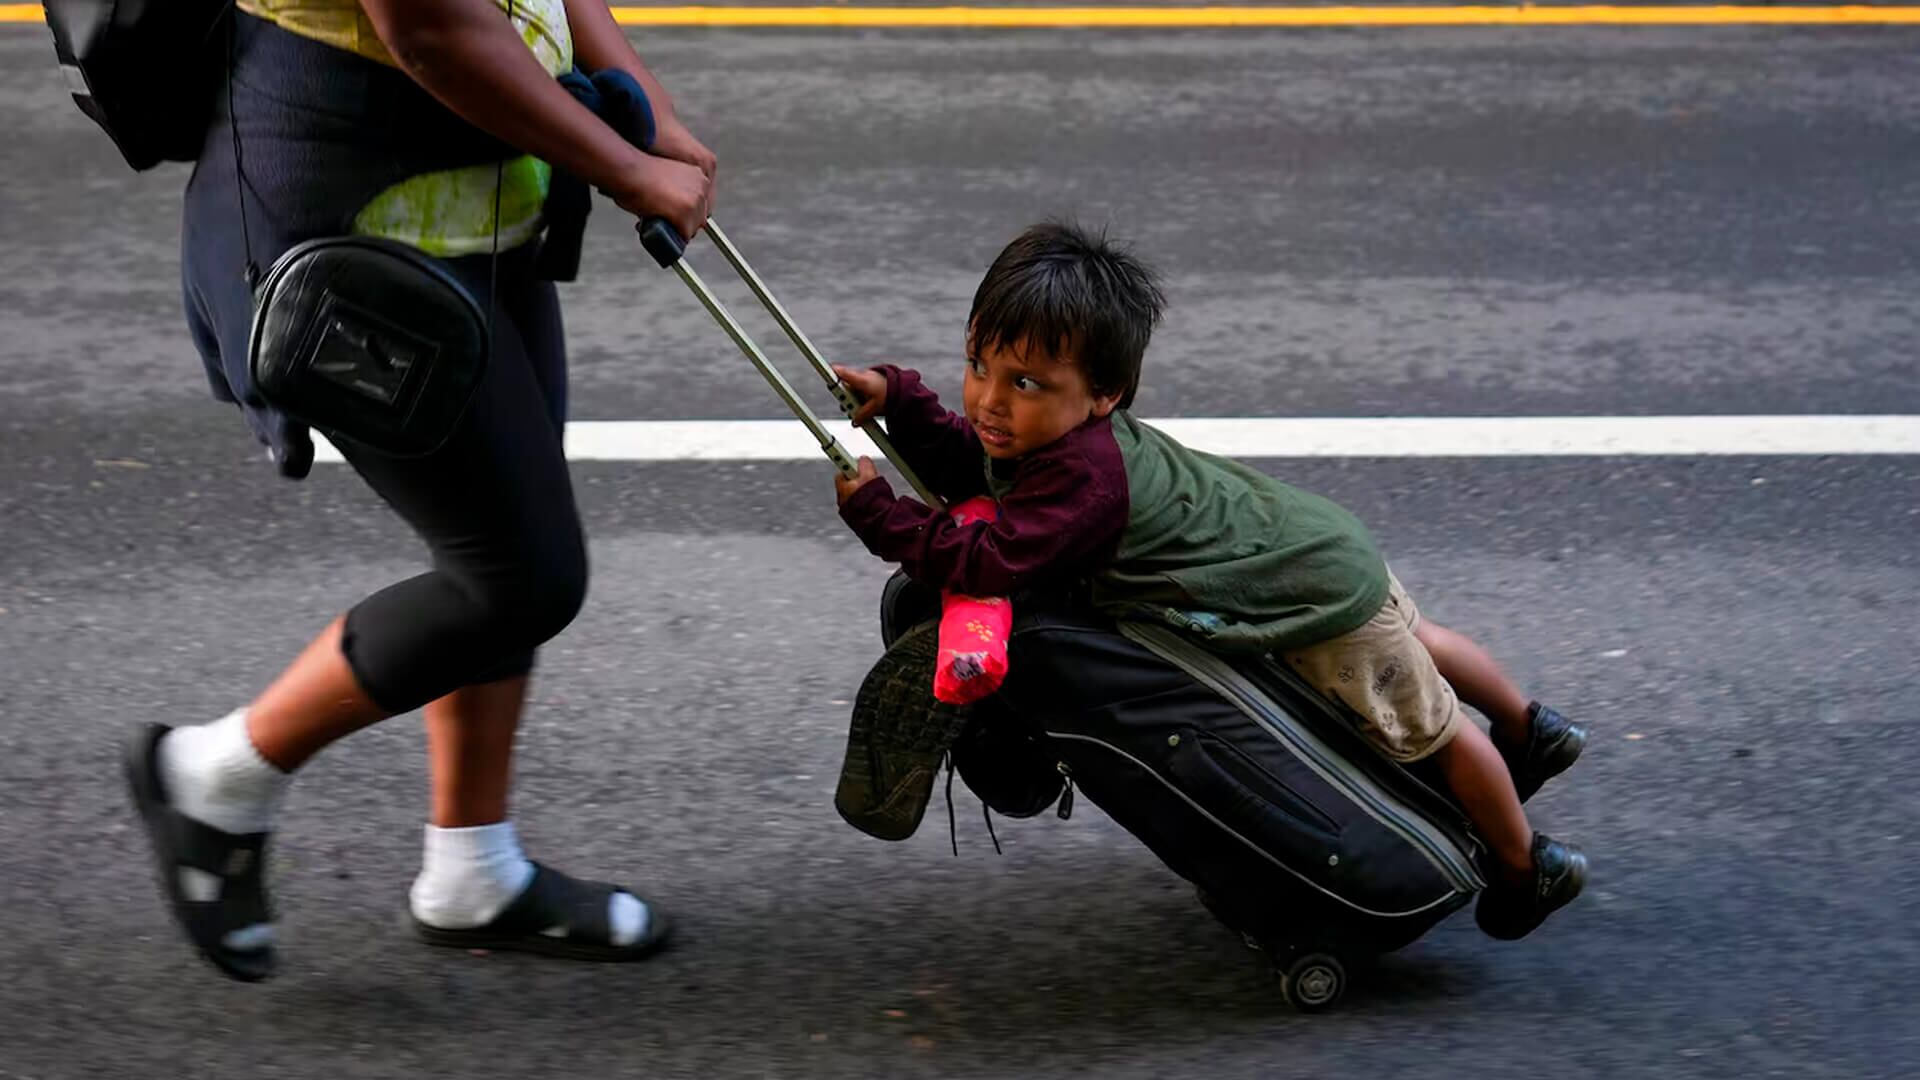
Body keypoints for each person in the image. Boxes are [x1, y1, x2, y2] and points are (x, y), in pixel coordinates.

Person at [124, 0, 716, 982]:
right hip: (353, 212)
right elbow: (432, 27)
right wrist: (628, 165)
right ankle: (212, 778)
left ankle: (471, 868)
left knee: (506, 537)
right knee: (519, 578)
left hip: (483, 179)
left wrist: (649, 116)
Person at [829, 222, 1589, 940]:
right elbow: (978, 456)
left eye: (1025, 382)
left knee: (1436, 730)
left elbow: (989, 559)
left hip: (1308, 596)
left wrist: (880, 517)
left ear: (1105, 395)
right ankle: (1529, 726)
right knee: (1419, 638)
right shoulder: (1059, 438)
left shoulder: (1081, 481)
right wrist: (903, 403)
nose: (991, 399)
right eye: (977, 366)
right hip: (1310, 543)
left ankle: (1526, 869)